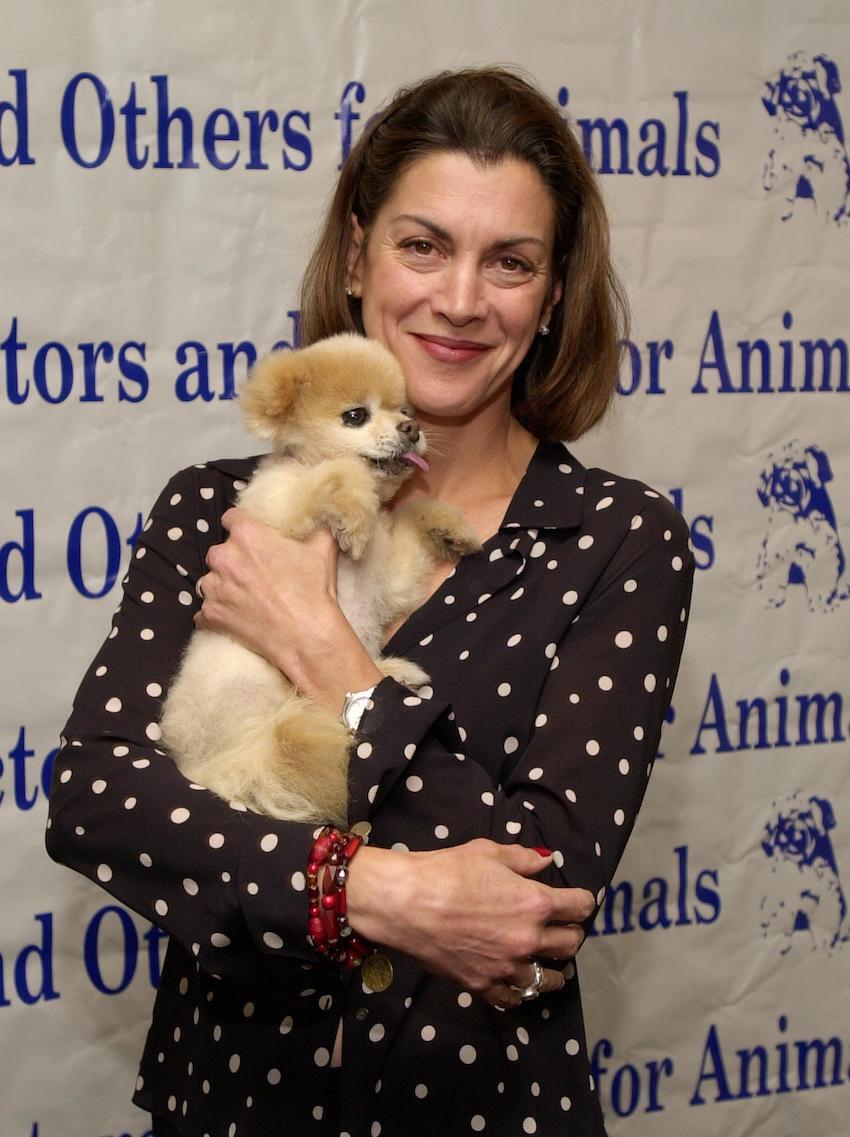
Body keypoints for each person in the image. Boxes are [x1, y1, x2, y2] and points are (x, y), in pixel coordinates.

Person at [47, 66, 694, 1137]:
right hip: (233, 1105)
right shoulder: (221, 506)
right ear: (356, 258)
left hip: (479, 1110)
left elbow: (542, 894)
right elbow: (100, 797)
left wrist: (327, 651)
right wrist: (363, 893)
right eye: (423, 245)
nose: (459, 300)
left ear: (551, 295)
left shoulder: (613, 540)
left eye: (511, 263)